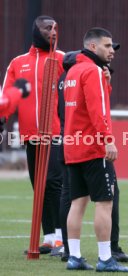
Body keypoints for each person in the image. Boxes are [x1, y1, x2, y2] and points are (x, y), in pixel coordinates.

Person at [51, 51, 128, 264]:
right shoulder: (92, 71)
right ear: (93, 46)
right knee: (105, 202)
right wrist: (107, 139)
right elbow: (97, 108)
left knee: (76, 202)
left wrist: (107, 83)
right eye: (107, 45)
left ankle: (74, 256)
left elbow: (76, 108)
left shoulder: (68, 76)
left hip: (71, 145)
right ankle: (106, 257)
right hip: (93, 147)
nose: (112, 51)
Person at [2, 15, 65, 253]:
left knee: (54, 183)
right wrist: (2, 117)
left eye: (55, 28)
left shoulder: (63, 59)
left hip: (57, 133)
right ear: (35, 31)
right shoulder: (18, 62)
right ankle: (50, 238)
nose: (53, 32)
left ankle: (61, 238)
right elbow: (7, 94)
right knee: (38, 186)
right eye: (47, 28)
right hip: (30, 135)